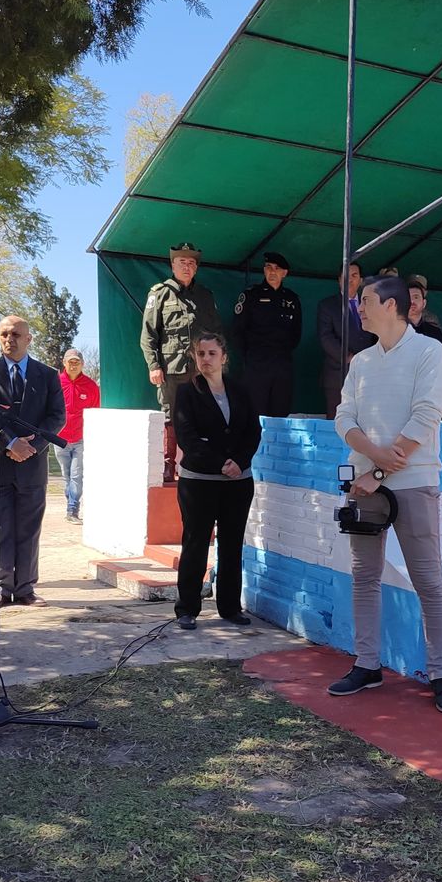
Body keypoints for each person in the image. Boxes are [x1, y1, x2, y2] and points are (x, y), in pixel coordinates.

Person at [329, 275, 442, 713]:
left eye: (365, 300)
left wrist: (379, 470)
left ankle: (441, 674)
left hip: (413, 482)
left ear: (390, 305)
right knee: (364, 577)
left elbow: (427, 415)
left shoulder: (430, 352)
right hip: (366, 484)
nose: (359, 307)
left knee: (428, 581)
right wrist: (370, 458)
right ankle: (367, 665)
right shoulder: (361, 361)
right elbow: (343, 415)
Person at [0, 315, 65, 608]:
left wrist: (32, 446)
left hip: (32, 466)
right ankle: (1, 589)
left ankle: (24, 589)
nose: (9, 339)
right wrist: (10, 443)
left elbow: (57, 416)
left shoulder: (47, 375)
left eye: (15, 334)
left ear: (28, 339)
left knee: (28, 530)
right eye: (3, 334)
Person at [171, 333, 261, 630]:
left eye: (212, 353)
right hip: (199, 482)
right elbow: (187, 436)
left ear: (224, 356)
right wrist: (220, 462)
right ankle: (187, 608)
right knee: (196, 543)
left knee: (232, 544)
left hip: (238, 481)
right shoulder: (187, 392)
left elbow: (252, 431)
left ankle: (230, 607)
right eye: (200, 353)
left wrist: (240, 461)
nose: (206, 359)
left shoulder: (241, 390)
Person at [141, 242, 220, 481]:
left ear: (196, 268)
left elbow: (216, 334)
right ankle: (168, 465)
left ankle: (194, 461)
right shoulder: (160, 293)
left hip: (200, 370)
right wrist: (154, 365)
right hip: (171, 368)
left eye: (191, 263)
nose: (187, 267)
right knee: (171, 416)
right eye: (182, 262)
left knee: (201, 416)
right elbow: (148, 334)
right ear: (173, 265)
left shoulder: (205, 296)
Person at [231, 251, 302, 418]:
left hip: (282, 365)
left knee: (280, 415)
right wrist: (251, 357)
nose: (272, 272)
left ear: (284, 273)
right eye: (268, 267)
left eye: (277, 268)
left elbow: (296, 334)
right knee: (254, 415)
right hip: (256, 365)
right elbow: (237, 331)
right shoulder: (251, 295)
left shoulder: (292, 299)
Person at [318, 261, 373, 419]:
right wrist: (349, 357)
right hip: (338, 376)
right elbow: (325, 337)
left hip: (368, 375)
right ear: (339, 279)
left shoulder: (370, 306)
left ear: (361, 280)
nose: (350, 279)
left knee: (365, 424)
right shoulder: (327, 305)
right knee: (337, 423)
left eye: (354, 275)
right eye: (345, 275)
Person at [55, 348, 100, 524]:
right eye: (70, 362)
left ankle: (72, 510)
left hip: (81, 439)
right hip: (60, 438)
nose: (73, 365)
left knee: (76, 475)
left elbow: (96, 412)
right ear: (64, 363)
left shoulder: (91, 386)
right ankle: (70, 503)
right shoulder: (56, 384)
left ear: (82, 364)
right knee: (66, 475)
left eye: (77, 362)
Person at [407, 275, 442, 342]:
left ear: (424, 303)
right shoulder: (392, 330)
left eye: (416, 297)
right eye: (407, 297)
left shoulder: (435, 332)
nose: (412, 301)